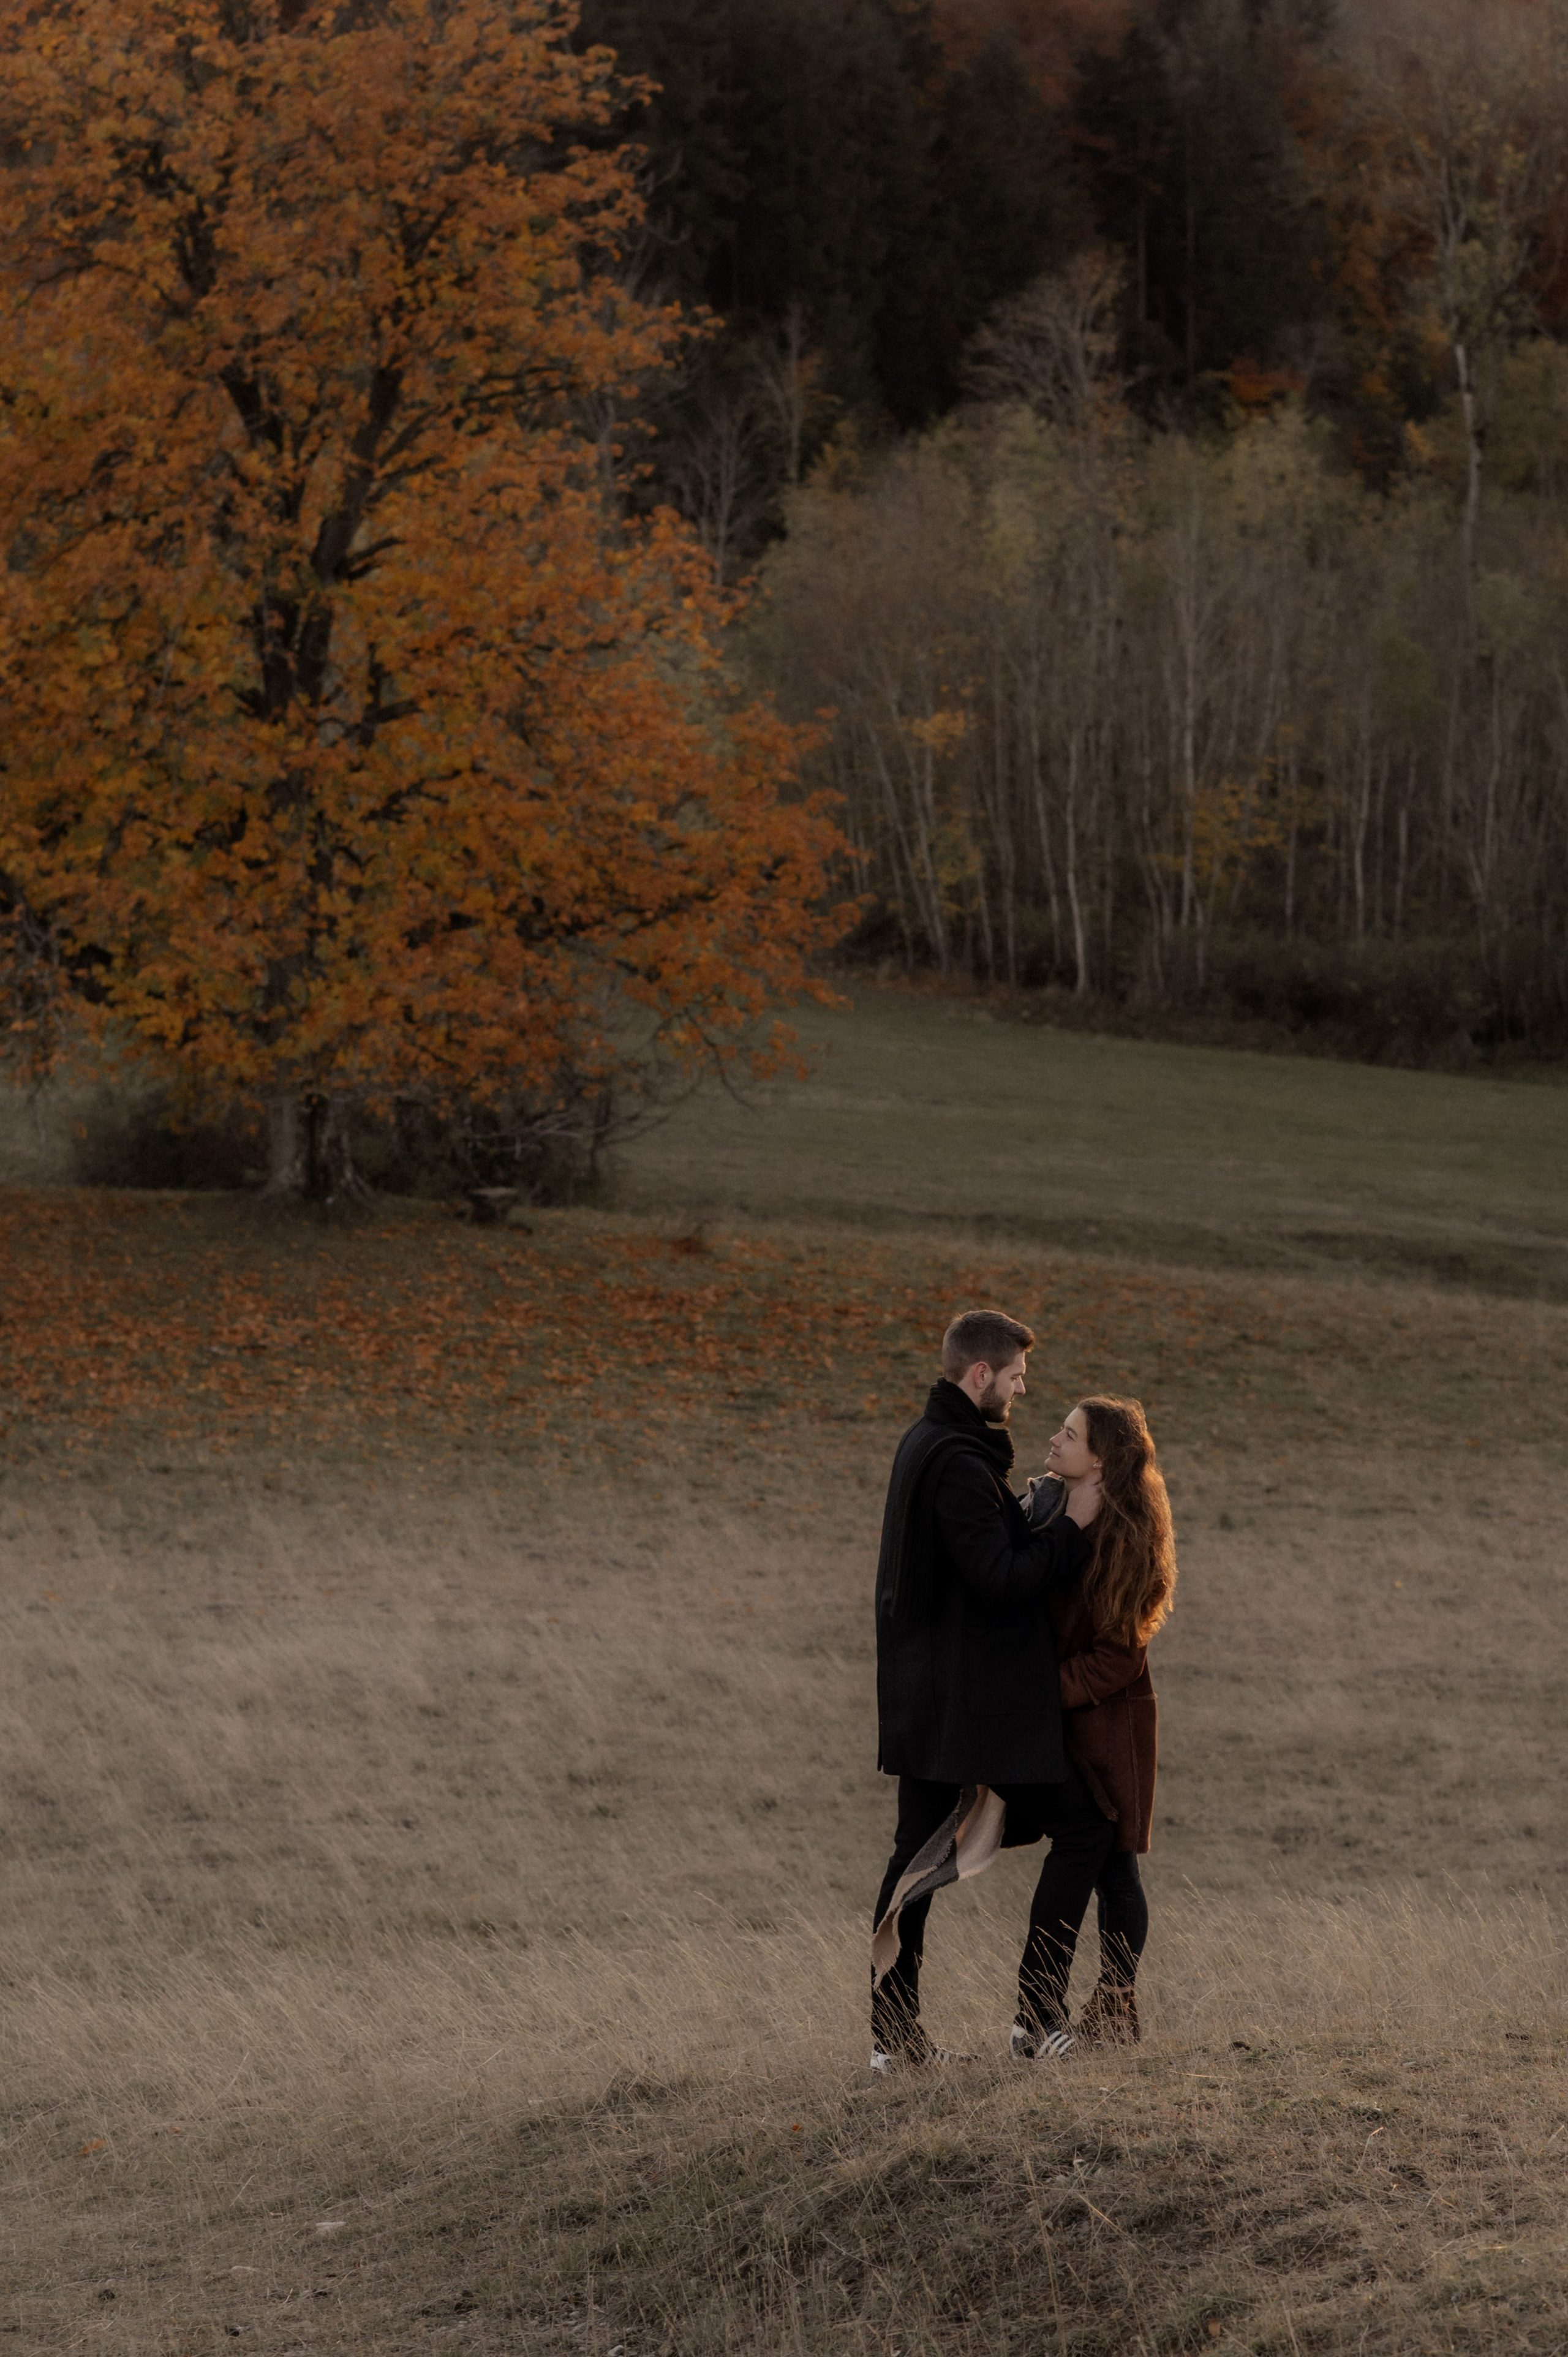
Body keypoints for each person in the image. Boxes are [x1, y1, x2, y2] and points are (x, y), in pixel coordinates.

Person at [870, 1308, 1106, 2070]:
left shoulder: (930, 1443)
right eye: (1015, 1378)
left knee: (915, 1861)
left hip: (932, 1698)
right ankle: (1035, 2022)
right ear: (981, 1376)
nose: (1021, 1389)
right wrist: (1069, 1527)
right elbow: (999, 1581)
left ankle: (894, 2043)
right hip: (972, 1707)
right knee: (1083, 1829)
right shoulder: (959, 1462)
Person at [1026, 1395, 1177, 2046]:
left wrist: (1033, 1695)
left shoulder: (1126, 1536)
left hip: (1108, 1725)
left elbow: (1115, 1657)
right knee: (1096, 1857)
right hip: (1061, 1718)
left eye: (1069, 1433)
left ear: (1101, 1457)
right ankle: (1079, 2015)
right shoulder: (1051, 1506)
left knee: (1116, 1866)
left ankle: (1114, 2009)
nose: (1054, 1439)